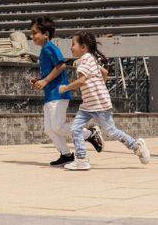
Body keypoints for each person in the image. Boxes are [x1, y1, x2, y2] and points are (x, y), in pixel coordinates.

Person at [60, 31, 151, 170]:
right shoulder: (90, 59)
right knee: (75, 128)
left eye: (73, 44)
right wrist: (99, 85)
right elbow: (105, 72)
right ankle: (81, 159)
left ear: (83, 47)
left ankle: (136, 146)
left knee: (111, 132)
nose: (71, 47)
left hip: (99, 105)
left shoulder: (85, 59)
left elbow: (82, 80)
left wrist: (66, 88)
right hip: (88, 105)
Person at [30, 16, 103, 166]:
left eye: (35, 33)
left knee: (57, 126)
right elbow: (51, 71)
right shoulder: (44, 50)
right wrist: (39, 80)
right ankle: (66, 155)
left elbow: (61, 66)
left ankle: (90, 134)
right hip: (50, 95)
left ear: (46, 34)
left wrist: (45, 81)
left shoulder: (50, 47)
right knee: (49, 129)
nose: (32, 36)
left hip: (58, 93)